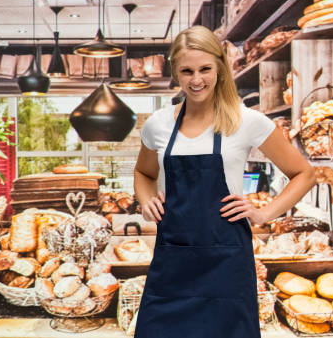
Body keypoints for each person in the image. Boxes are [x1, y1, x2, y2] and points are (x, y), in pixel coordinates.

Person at [133, 26, 315, 338]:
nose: (197, 80)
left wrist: (264, 213)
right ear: (175, 71)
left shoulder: (247, 121)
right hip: (172, 266)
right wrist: (146, 199)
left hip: (227, 268)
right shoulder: (158, 124)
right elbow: (143, 173)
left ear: (220, 67)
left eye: (205, 69)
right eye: (187, 71)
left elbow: (305, 173)